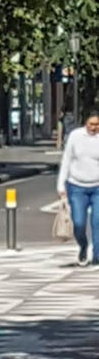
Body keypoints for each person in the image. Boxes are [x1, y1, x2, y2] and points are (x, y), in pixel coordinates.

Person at [58, 110, 99, 266]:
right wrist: (61, 185)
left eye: (97, 125)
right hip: (77, 187)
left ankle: (97, 257)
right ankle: (83, 245)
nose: (94, 128)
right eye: (91, 124)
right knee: (79, 222)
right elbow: (66, 160)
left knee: (97, 222)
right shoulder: (75, 136)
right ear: (85, 123)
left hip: (97, 187)